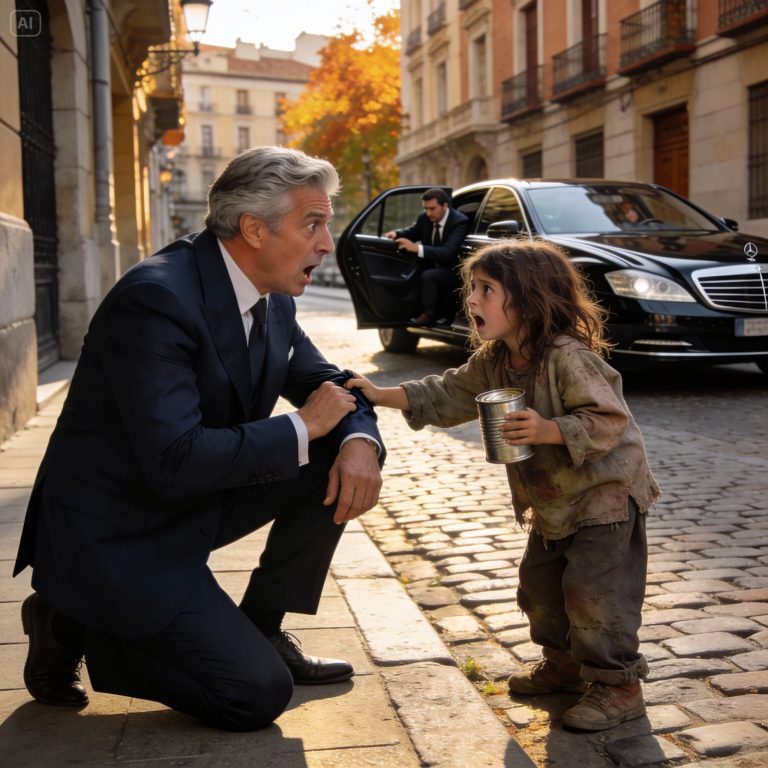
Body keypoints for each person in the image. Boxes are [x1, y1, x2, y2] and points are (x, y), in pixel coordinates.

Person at [14, 146, 385, 732]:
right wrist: (303, 424)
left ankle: (263, 627)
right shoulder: (155, 299)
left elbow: (336, 385)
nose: (326, 243)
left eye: (326, 224)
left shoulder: (271, 295)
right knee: (255, 696)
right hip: (119, 531)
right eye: (312, 224)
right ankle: (72, 620)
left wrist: (359, 441)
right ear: (254, 229)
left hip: (190, 501)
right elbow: (175, 461)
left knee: (328, 454)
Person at [345, 240, 660, 732]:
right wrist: (382, 394)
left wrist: (549, 429)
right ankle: (565, 666)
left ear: (530, 299)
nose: (471, 299)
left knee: (591, 593)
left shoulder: (566, 356)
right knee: (539, 588)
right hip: (553, 502)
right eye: (471, 288)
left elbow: (609, 419)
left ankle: (619, 684)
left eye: (486, 289)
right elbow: (449, 393)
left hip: (606, 496)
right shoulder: (494, 360)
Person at [384, 187, 469, 326]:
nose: (428, 213)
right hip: (432, 265)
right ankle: (409, 312)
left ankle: (429, 314)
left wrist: (416, 248)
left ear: (445, 205)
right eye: (426, 208)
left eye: (432, 208)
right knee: (415, 272)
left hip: (454, 270)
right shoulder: (424, 218)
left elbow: (447, 252)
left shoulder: (459, 221)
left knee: (429, 275)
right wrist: (397, 233)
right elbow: (413, 231)